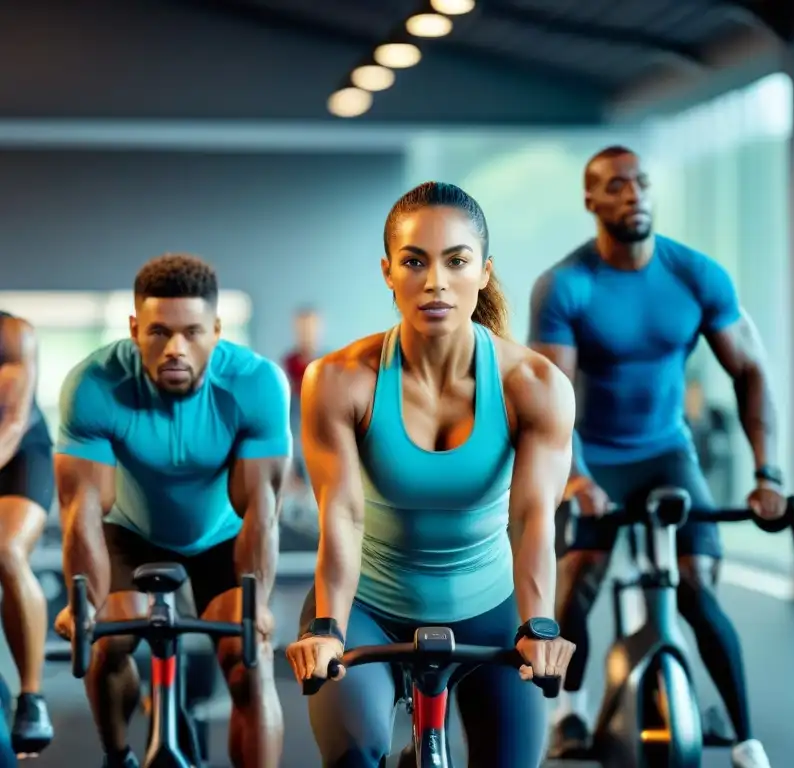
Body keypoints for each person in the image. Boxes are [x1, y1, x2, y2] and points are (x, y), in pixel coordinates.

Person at [285, 181, 577, 768]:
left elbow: (532, 517)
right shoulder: (340, 379)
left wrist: (540, 624)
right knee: (354, 752)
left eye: (457, 261)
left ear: (484, 272)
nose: (436, 281)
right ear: (389, 272)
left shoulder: (535, 386)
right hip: (368, 607)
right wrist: (326, 627)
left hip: (491, 610)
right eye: (415, 261)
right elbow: (341, 514)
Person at [529, 145, 785, 768]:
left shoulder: (696, 275)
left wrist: (767, 471)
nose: (634, 195)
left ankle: (747, 740)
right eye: (616, 186)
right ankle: (570, 713)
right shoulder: (567, 285)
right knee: (580, 581)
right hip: (596, 454)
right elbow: (552, 402)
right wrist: (578, 480)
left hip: (668, 452)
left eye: (641, 183)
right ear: (591, 200)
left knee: (697, 586)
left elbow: (750, 369)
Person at [52, 254, 292, 768]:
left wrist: (259, 606)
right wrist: (83, 605)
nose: (175, 349)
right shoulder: (94, 384)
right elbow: (83, 510)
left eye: (192, 332)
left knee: (249, 657)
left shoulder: (255, 384)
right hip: (130, 533)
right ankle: (118, 755)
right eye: (159, 332)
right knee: (111, 636)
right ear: (135, 328)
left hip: (222, 533)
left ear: (218, 330)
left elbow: (261, 510)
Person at [0, 311, 55, 755]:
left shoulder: (12, 333)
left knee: (6, 551)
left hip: (18, 454)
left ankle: (31, 696)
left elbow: (13, 420)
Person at [282, 307, 321, 487]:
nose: (306, 333)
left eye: (310, 327)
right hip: (295, 439)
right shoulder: (287, 365)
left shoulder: (329, 363)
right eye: (302, 328)